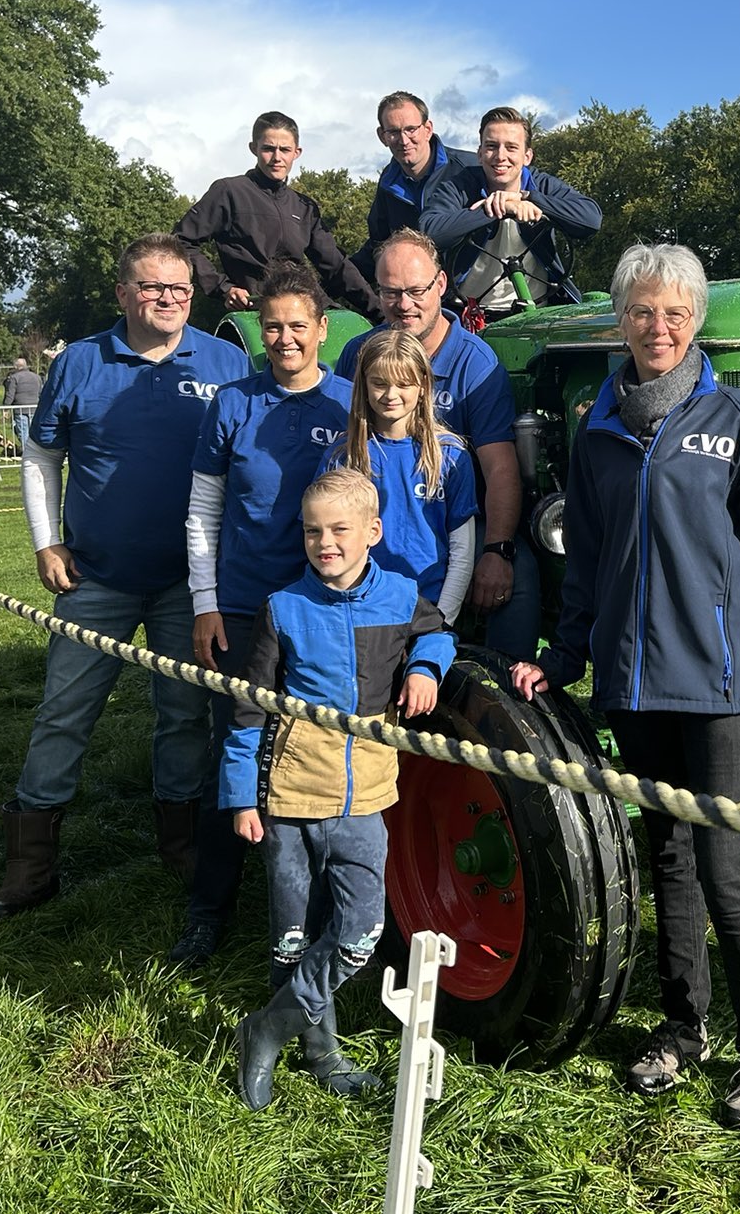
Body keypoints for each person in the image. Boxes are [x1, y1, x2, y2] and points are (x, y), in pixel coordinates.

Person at [510, 243, 740, 1129]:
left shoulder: (738, 417)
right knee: (668, 864)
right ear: (623, 319)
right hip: (633, 685)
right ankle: (686, 1031)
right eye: (643, 311)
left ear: (695, 320)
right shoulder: (598, 426)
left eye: (675, 312)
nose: (659, 326)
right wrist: (566, 657)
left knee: (728, 869)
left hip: (720, 685)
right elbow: (590, 559)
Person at [0, 234, 251, 921]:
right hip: (94, 577)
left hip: (190, 585)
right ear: (122, 293)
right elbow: (41, 457)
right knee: (62, 715)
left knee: (184, 716)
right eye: (152, 287)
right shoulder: (79, 361)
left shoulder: (227, 360)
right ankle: (31, 866)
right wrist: (46, 543)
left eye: (180, 288)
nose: (167, 299)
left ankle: (182, 845)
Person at [224, 467, 454, 1111]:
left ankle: (266, 1028)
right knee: (293, 934)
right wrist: (243, 796)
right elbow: (248, 713)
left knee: (357, 930)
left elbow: (436, 632)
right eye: (312, 531)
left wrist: (426, 666)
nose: (325, 543)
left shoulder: (403, 596)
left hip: (365, 798)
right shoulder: (282, 608)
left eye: (340, 530)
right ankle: (321, 1048)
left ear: (372, 533)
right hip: (290, 798)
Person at [171, 261, 355, 968]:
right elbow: (202, 510)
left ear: (322, 330)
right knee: (237, 757)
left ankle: (321, 916)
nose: (284, 338)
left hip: (321, 612)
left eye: (297, 326)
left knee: (317, 759)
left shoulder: (347, 406)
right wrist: (206, 603)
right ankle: (209, 909)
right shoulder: (232, 404)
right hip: (244, 609)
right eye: (272, 326)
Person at [336, 230, 533, 659]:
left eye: (415, 290)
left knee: (518, 582)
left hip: (457, 514)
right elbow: (344, 446)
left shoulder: (475, 363)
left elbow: (500, 468)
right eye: (390, 292)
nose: (403, 304)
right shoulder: (357, 353)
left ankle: (504, 692)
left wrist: (497, 549)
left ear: (441, 285)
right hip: (380, 509)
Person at [325, 327, 479, 621]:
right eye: (379, 383)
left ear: (422, 385)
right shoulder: (343, 457)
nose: (390, 394)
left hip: (427, 611)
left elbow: (462, 551)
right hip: (358, 614)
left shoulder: (451, 455)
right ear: (364, 385)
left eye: (403, 383)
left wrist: (441, 620)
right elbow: (325, 544)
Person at [176, 110, 379, 316]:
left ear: (296, 152)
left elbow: (336, 267)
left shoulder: (305, 207)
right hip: (256, 309)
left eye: (285, 149)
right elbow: (181, 241)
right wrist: (223, 287)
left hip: (306, 306)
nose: (277, 158)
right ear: (253, 148)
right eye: (268, 149)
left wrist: (380, 312)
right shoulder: (229, 192)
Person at [420, 106, 602, 317]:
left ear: (527, 156)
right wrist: (495, 208)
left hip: (536, 313)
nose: (500, 156)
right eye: (491, 146)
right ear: (479, 154)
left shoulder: (541, 185)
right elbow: (429, 232)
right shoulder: (459, 186)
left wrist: (528, 198)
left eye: (511, 147)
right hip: (468, 315)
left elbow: (590, 219)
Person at [349, 92, 477, 285]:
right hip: (414, 296)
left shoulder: (470, 168)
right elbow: (379, 246)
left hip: (476, 296)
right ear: (382, 136)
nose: (403, 140)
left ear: (428, 129)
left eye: (411, 129)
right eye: (393, 132)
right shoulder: (388, 183)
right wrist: (336, 280)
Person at [0, 358, 41, 450]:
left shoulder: (14, 378)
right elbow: (41, 393)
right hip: (35, 408)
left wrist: (5, 409)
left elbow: (10, 395)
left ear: (15, 367)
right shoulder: (37, 377)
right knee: (34, 432)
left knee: (23, 433)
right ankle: (36, 453)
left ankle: (27, 452)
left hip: (20, 409)